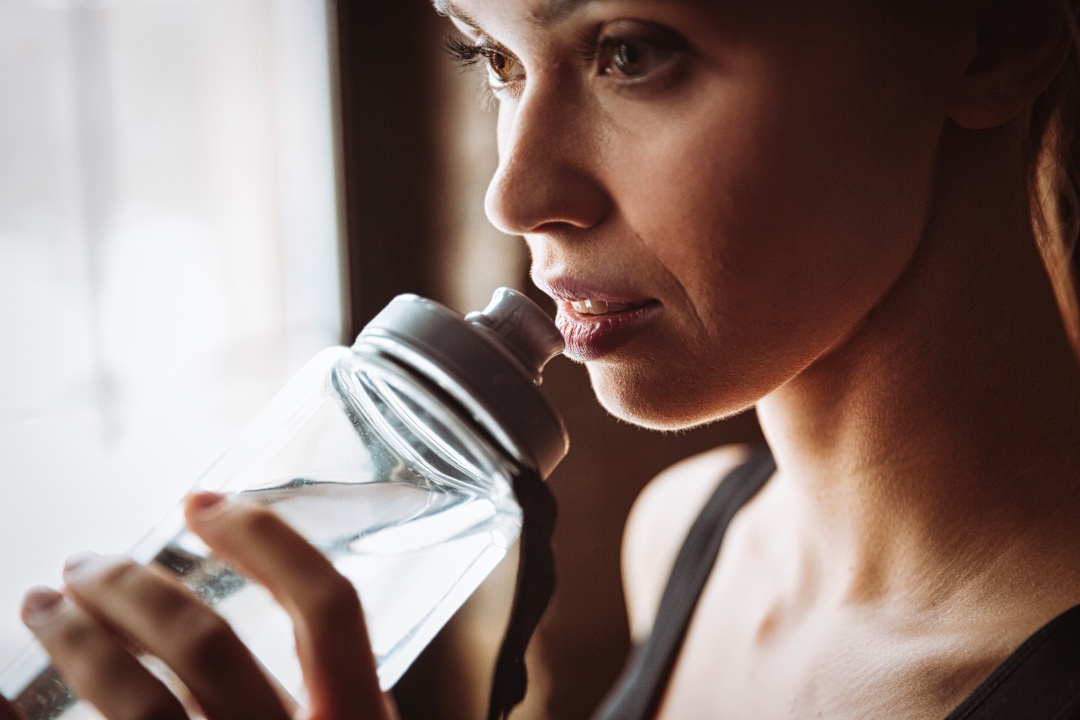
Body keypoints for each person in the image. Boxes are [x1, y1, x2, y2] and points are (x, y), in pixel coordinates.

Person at [5, 0, 1080, 717]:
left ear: (991, 34)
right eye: (495, 58)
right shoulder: (688, 539)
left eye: (632, 52)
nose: (514, 195)